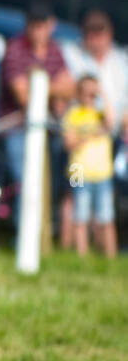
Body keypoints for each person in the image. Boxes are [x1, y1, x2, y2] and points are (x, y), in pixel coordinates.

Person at [0, 1, 75, 210]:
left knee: (51, 182)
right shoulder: (15, 48)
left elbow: (70, 88)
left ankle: (49, 232)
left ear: (51, 25)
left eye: (41, 24)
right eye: (33, 24)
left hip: (48, 129)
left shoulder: (54, 50)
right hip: (17, 129)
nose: (37, 30)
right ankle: (19, 234)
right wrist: (53, 88)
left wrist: (40, 85)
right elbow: (22, 96)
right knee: (24, 183)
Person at [62, 75, 116, 257]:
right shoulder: (73, 114)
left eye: (93, 93)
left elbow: (111, 122)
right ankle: (81, 255)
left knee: (106, 215)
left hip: (102, 171)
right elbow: (68, 143)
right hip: (78, 171)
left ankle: (109, 255)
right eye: (86, 93)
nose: (90, 97)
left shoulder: (100, 114)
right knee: (80, 213)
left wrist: (103, 95)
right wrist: (90, 135)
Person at [64, 9, 127, 144]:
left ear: (109, 34)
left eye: (100, 34)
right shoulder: (70, 55)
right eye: (91, 34)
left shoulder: (121, 59)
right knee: (77, 166)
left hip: (117, 135)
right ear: (83, 34)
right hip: (82, 136)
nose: (96, 40)